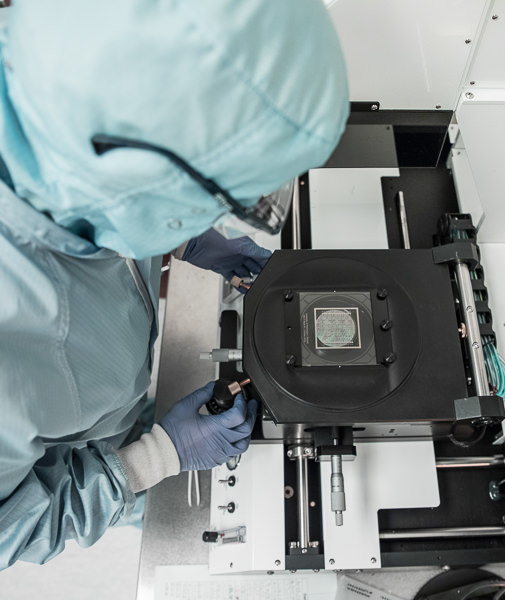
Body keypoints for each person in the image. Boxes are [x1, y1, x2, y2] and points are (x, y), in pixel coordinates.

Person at [0, 0, 348, 569]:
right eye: (231, 197)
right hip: (91, 457)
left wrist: (182, 239)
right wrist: (152, 460)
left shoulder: (57, 80)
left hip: (113, 395)